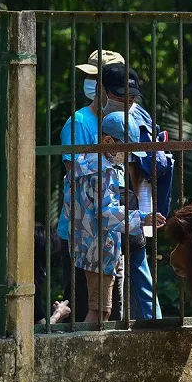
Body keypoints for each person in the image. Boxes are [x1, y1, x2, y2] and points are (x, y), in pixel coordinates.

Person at [64, 109, 166, 322]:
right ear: (108, 141)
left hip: (83, 245)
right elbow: (106, 213)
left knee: (98, 308)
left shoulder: (81, 165)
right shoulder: (105, 171)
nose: (127, 158)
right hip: (101, 249)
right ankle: (88, 352)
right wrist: (142, 218)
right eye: (126, 152)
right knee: (100, 312)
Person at [57, 50, 126, 322]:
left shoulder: (127, 120)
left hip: (113, 232)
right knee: (84, 311)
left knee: (112, 313)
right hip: (83, 234)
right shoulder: (79, 122)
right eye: (90, 77)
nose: (92, 83)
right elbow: (79, 180)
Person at [99, 63, 169, 320]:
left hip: (134, 203)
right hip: (105, 216)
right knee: (105, 289)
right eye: (121, 95)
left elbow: (154, 161)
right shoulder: (85, 121)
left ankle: (155, 324)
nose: (128, 101)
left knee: (139, 273)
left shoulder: (141, 117)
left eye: (131, 96)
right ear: (103, 91)